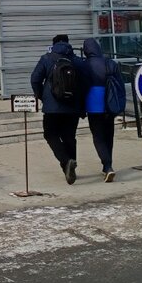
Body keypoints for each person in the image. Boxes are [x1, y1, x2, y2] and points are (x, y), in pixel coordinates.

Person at [30, 34, 90, 185]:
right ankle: (71, 166)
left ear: (54, 44)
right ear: (68, 44)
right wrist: (81, 104)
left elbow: (35, 79)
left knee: (50, 134)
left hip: (52, 108)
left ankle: (66, 162)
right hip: (73, 106)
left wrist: (41, 96)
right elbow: (85, 84)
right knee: (69, 136)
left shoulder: (46, 58)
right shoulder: (77, 61)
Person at [81, 38, 117, 182]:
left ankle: (107, 166)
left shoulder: (85, 65)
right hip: (110, 103)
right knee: (109, 135)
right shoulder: (110, 63)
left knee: (98, 136)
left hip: (93, 105)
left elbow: (82, 87)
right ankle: (108, 165)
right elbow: (119, 84)